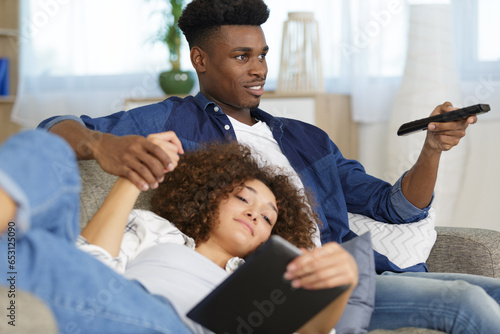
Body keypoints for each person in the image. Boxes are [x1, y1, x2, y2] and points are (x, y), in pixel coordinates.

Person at [36, 0, 500, 332]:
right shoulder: (171, 117)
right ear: (199, 59)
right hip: (273, 287)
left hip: (348, 273)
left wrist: (433, 149)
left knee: (490, 290)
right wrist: (102, 145)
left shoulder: (306, 138)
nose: (258, 69)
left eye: (261, 55)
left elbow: (394, 207)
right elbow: (53, 127)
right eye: (241, 57)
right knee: (462, 303)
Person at [0, 129, 358, 334]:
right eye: (242, 198)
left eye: (268, 218)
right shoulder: (156, 231)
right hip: (108, 300)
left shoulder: (262, 280)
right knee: (45, 147)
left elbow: (311, 333)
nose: (254, 213)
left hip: (175, 327)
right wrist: (136, 176)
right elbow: (89, 265)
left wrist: (341, 286)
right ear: (211, 197)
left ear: (268, 240)